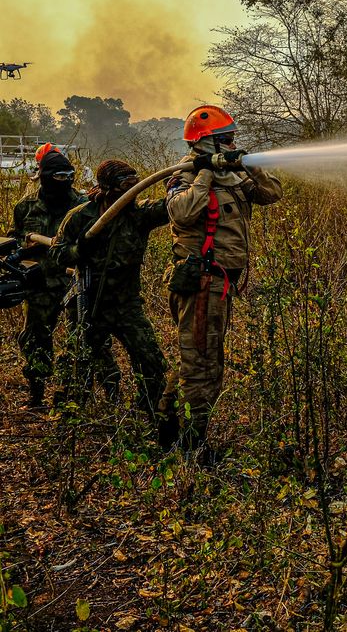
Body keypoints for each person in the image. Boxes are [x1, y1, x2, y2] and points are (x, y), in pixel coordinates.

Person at [166, 105, 282, 462]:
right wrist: (203, 174)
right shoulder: (184, 178)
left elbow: (270, 193)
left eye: (232, 137)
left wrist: (247, 164)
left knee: (204, 359)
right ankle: (189, 446)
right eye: (226, 138)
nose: (233, 142)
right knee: (201, 367)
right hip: (202, 282)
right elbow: (182, 213)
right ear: (206, 143)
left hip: (220, 285)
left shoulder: (234, 175)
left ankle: (170, 429)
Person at [49, 159, 171, 443]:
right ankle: (67, 425)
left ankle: (157, 417)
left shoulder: (138, 214)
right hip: (89, 302)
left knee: (149, 358)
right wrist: (81, 248)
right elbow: (57, 254)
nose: (131, 192)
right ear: (106, 187)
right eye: (124, 186)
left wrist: (193, 174)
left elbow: (170, 208)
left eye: (134, 184)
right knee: (77, 363)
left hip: (127, 304)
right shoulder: (81, 216)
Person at [8, 144, 88, 408]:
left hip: (74, 284)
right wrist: (25, 243)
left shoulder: (84, 206)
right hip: (39, 284)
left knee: (78, 341)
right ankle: (37, 395)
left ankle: (70, 397)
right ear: (44, 177)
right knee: (34, 340)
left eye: (68, 176)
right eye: (58, 176)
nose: (63, 182)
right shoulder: (26, 207)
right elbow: (14, 238)